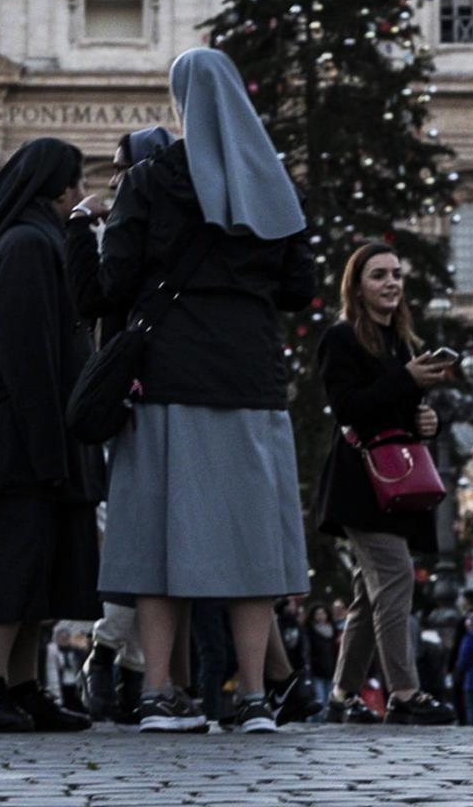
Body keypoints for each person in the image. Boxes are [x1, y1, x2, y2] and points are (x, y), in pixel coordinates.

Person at [95, 47, 314, 734]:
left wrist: (85, 237)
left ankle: (159, 693)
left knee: (161, 538)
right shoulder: (271, 181)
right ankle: (253, 698)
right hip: (250, 378)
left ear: (181, 102)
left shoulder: (153, 178)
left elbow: (115, 280)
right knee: (251, 548)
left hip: (167, 374)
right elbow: (301, 289)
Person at [0, 138, 102, 734]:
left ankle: (25, 686)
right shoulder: (27, 244)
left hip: (35, 434)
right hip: (18, 439)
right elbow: (28, 356)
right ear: (57, 188)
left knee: (37, 570)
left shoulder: (36, 239)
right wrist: (49, 446)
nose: (82, 194)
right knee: (6, 571)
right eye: (77, 184)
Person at [313, 242, 458, 725]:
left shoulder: (401, 343)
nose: (392, 282)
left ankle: (341, 695)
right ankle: (404, 691)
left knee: (368, 593)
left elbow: (396, 413)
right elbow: (349, 408)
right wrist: (406, 379)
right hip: (360, 484)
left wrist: (426, 419)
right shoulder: (340, 339)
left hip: (395, 483)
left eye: (396, 274)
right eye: (379, 275)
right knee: (395, 578)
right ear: (357, 286)